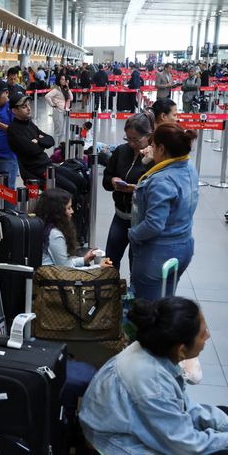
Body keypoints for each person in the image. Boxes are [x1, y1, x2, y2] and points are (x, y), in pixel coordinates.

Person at [80, 297, 227, 453]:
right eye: (203, 334)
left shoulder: (153, 347)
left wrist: (223, 423)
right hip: (114, 442)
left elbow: (183, 405)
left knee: (223, 414)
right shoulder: (153, 382)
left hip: (118, 421)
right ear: (181, 350)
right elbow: (187, 445)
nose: (208, 336)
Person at [129, 123, 199, 301]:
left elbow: (154, 224)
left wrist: (133, 234)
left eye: (153, 145)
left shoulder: (161, 180)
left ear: (161, 148)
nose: (150, 149)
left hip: (157, 253)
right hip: (183, 246)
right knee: (165, 304)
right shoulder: (188, 167)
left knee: (147, 312)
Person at [102, 113, 152, 271]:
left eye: (136, 139)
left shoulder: (154, 158)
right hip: (120, 216)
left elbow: (156, 190)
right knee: (110, 260)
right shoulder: (121, 151)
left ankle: (134, 293)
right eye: (128, 138)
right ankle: (108, 291)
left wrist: (135, 189)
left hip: (141, 220)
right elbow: (106, 179)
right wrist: (112, 181)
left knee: (136, 263)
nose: (131, 143)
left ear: (149, 135)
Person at [6, 93, 81, 195]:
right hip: (36, 171)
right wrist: (40, 142)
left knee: (80, 181)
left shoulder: (30, 124)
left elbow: (50, 140)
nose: (28, 108)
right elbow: (33, 150)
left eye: (28, 105)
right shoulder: (14, 130)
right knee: (72, 188)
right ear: (14, 111)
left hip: (48, 165)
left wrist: (38, 141)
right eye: (24, 107)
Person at [35, 188, 110, 268]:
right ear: (58, 212)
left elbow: (63, 262)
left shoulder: (43, 225)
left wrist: (83, 260)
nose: (72, 211)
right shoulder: (55, 235)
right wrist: (98, 267)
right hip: (53, 277)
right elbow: (67, 270)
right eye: (69, 208)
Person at [44, 74, 72, 145]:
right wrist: (52, 104)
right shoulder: (56, 89)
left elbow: (71, 98)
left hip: (65, 111)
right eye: (62, 79)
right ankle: (55, 147)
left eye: (64, 79)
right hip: (58, 111)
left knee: (62, 131)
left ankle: (59, 147)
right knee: (58, 131)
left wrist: (68, 87)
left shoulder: (65, 89)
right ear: (59, 80)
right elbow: (47, 96)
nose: (64, 81)